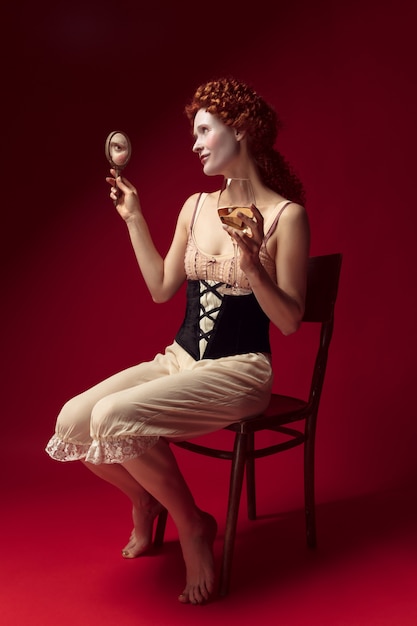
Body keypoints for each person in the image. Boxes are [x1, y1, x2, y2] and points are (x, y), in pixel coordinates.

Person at [45, 76, 310, 604]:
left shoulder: (287, 216)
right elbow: (162, 289)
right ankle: (148, 501)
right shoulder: (194, 206)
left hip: (240, 370)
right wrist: (134, 218)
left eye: (204, 131)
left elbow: (289, 322)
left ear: (239, 130)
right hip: (179, 359)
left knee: (109, 419)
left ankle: (192, 525)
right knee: (74, 420)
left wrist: (254, 268)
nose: (195, 143)